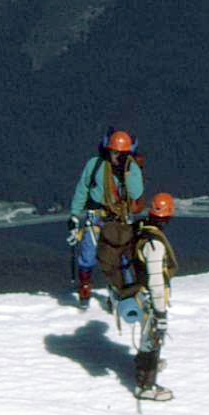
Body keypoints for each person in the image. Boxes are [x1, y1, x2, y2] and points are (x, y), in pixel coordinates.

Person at [66, 129, 144, 306]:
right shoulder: (95, 164)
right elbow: (83, 188)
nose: (117, 156)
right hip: (95, 217)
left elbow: (136, 193)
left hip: (119, 219)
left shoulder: (131, 169)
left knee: (121, 258)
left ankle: (121, 293)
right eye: (114, 152)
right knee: (88, 255)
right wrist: (75, 215)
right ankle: (85, 286)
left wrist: (127, 172)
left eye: (121, 153)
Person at [131, 192, 178, 401]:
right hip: (149, 296)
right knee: (153, 337)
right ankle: (145, 386)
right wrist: (160, 311)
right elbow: (156, 280)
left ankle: (144, 365)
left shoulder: (142, 230)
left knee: (147, 334)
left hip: (139, 293)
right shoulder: (155, 243)